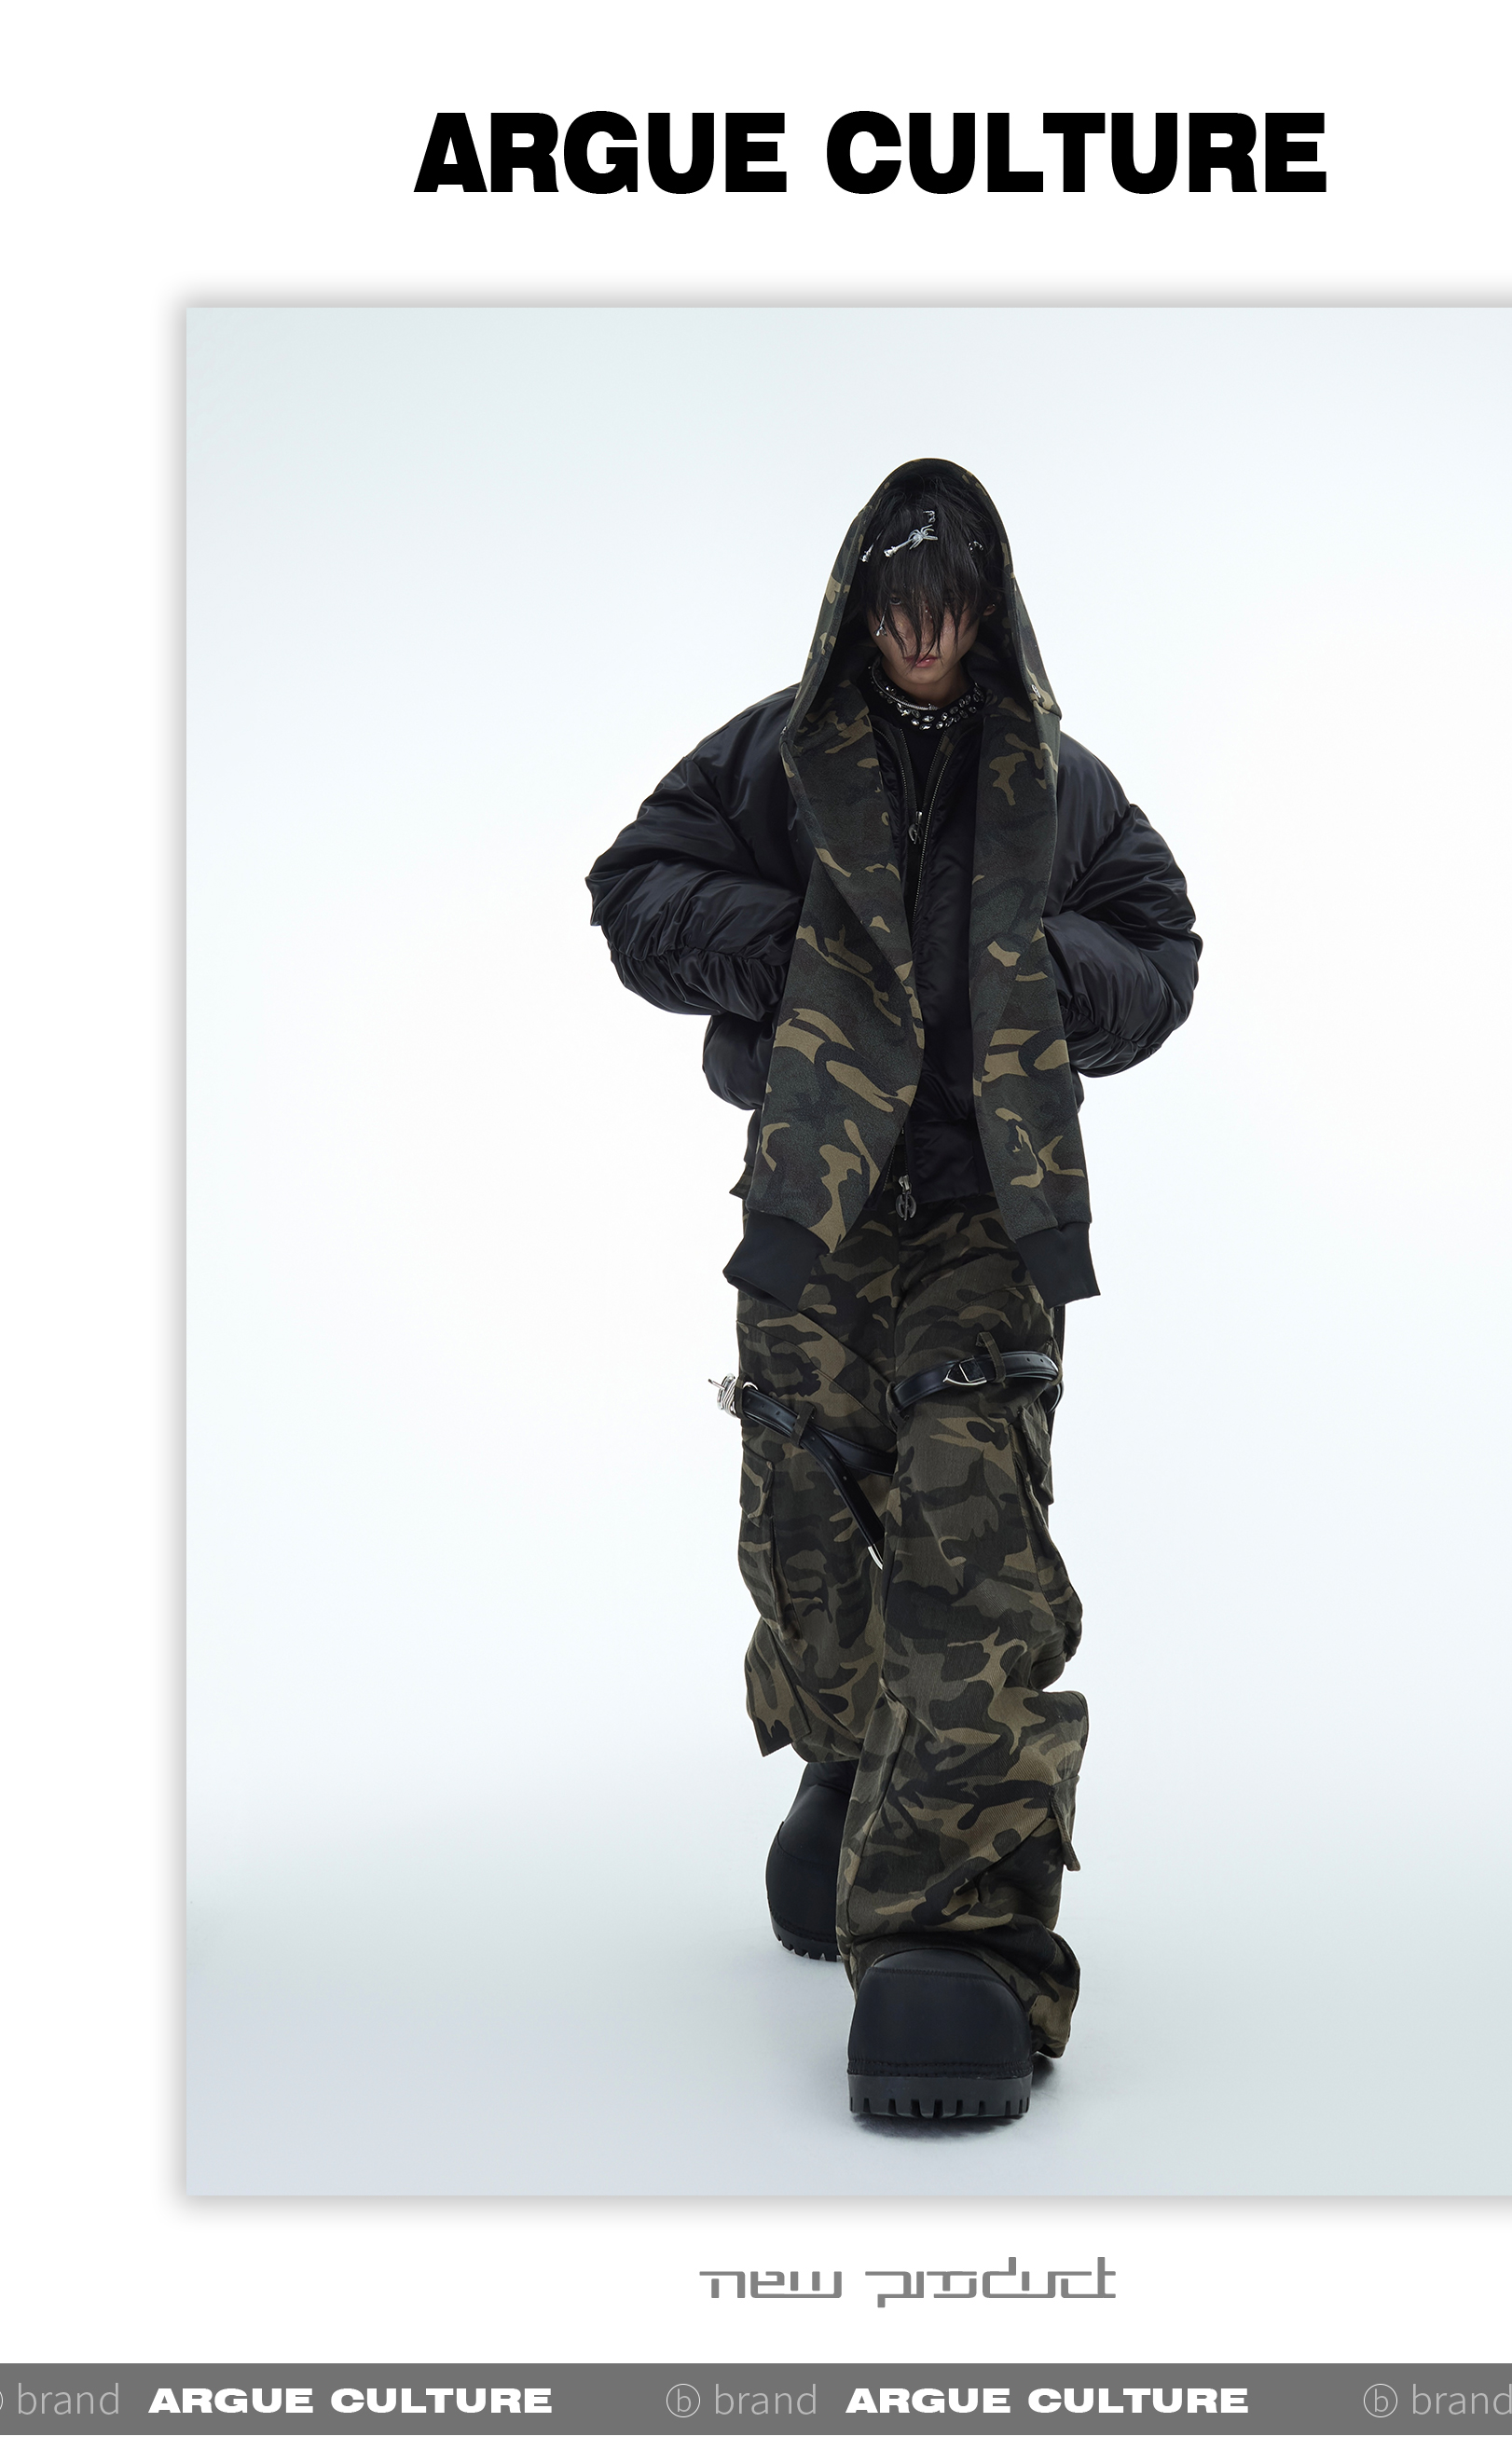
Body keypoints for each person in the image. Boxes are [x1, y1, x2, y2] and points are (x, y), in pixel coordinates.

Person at [585, 458, 1201, 2120]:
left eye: (952, 613)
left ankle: (956, 1939)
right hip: (818, 1200)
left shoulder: (1060, 785)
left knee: (972, 1542)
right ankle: (851, 1765)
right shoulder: (772, 759)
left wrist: (1041, 975)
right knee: (803, 1514)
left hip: (989, 1211)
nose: (925, 640)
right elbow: (632, 890)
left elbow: (1165, 948)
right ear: (860, 609)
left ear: (988, 614)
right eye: (899, 612)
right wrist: (801, 957)